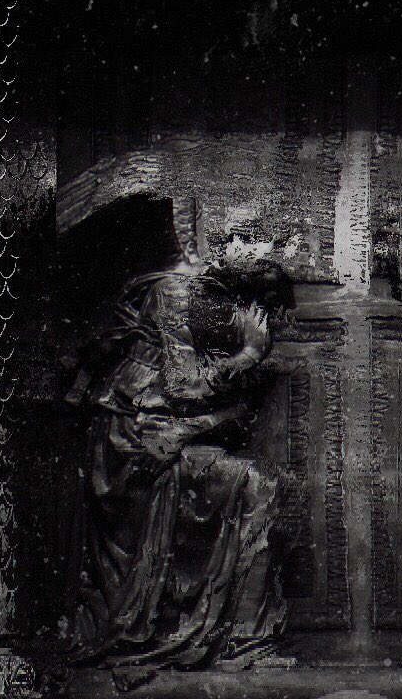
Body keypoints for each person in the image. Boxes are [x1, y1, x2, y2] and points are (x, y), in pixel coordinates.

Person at [66, 203, 292, 680]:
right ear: (225, 240)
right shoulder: (175, 291)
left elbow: (238, 407)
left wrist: (187, 428)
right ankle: (214, 635)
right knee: (254, 486)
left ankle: (245, 639)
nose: (267, 254)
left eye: (273, 246)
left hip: (170, 433)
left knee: (259, 486)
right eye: (255, 241)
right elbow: (183, 387)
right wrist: (249, 355)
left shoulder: (234, 300)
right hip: (132, 438)